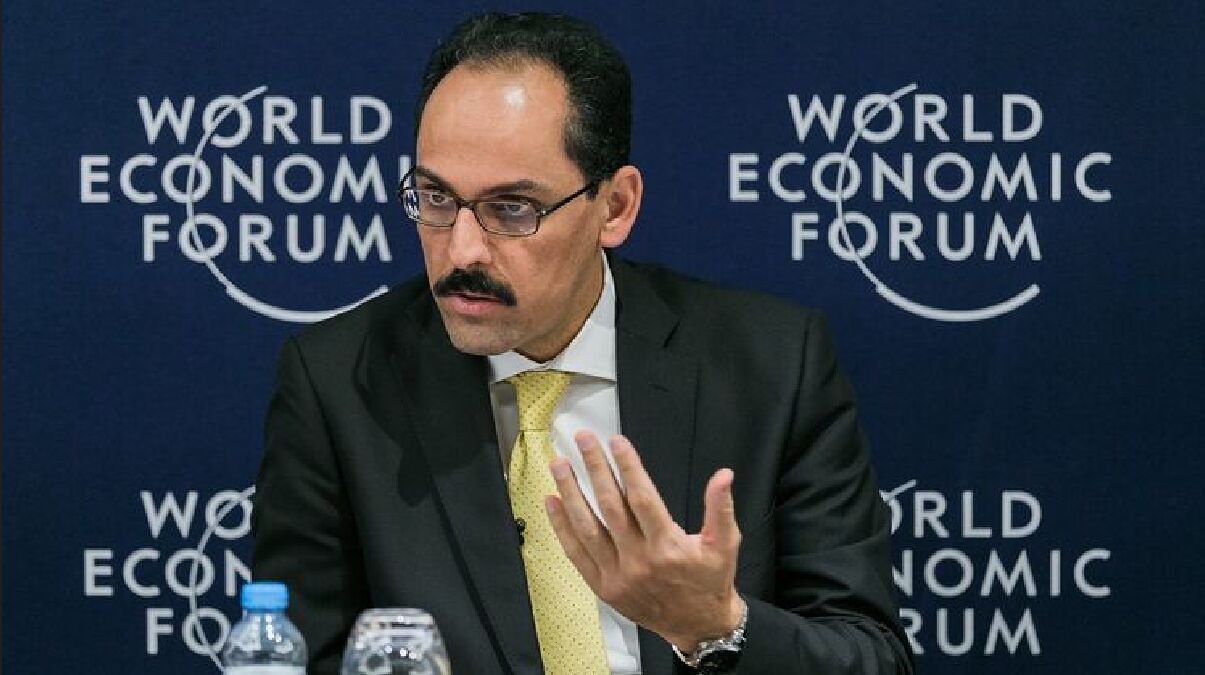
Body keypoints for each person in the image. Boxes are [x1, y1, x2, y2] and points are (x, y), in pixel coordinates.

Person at [252, 11, 913, 675]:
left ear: (615, 207)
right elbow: (297, 659)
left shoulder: (771, 366)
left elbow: (871, 658)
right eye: (436, 198)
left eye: (512, 208)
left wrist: (715, 627)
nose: (462, 250)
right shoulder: (340, 385)